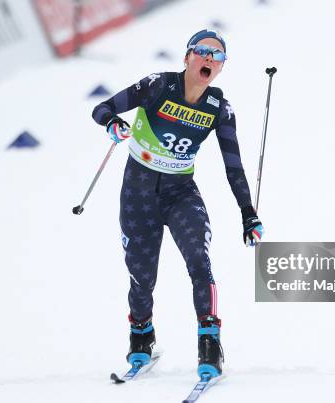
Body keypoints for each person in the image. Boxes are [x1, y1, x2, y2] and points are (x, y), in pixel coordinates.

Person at [91, 29, 264, 378]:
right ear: (187, 57)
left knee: (200, 262)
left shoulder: (220, 108)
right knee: (142, 277)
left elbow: (234, 167)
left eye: (217, 56)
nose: (209, 59)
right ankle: (142, 339)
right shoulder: (158, 85)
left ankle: (209, 346)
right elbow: (102, 107)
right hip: (138, 194)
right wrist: (113, 123)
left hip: (180, 193)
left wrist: (248, 214)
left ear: (220, 68)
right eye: (202, 51)